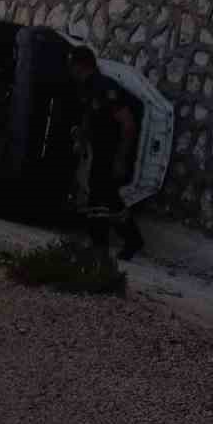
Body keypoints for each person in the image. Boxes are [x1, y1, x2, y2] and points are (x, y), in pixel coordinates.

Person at [68, 45, 145, 265]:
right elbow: (90, 118)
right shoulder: (88, 88)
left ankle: (101, 245)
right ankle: (130, 240)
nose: (70, 71)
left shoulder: (105, 87)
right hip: (100, 151)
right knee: (108, 197)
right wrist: (81, 137)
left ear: (81, 65)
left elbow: (128, 125)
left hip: (113, 151)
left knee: (99, 197)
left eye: (72, 66)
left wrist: (121, 158)